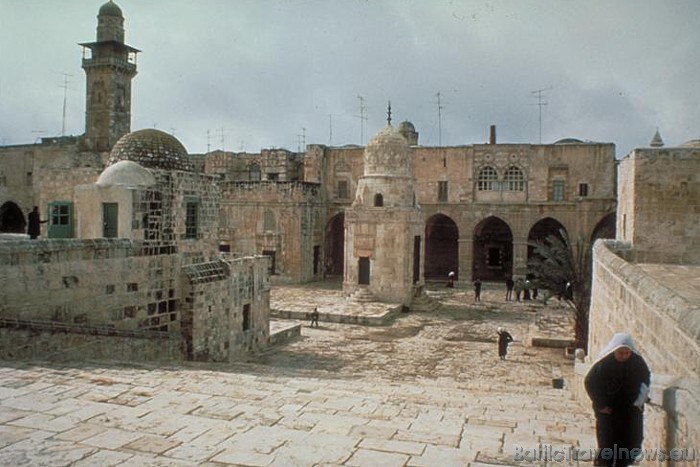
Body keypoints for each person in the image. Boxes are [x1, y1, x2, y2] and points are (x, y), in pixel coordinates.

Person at [584, 333, 650, 467]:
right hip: (609, 412)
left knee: (630, 444)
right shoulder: (603, 364)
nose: (623, 356)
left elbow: (646, 381)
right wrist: (601, 405)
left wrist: (639, 401)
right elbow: (590, 382)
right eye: (620, 352)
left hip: (630, 412)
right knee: (607, 446)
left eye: (627, 353)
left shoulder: (638, 363)